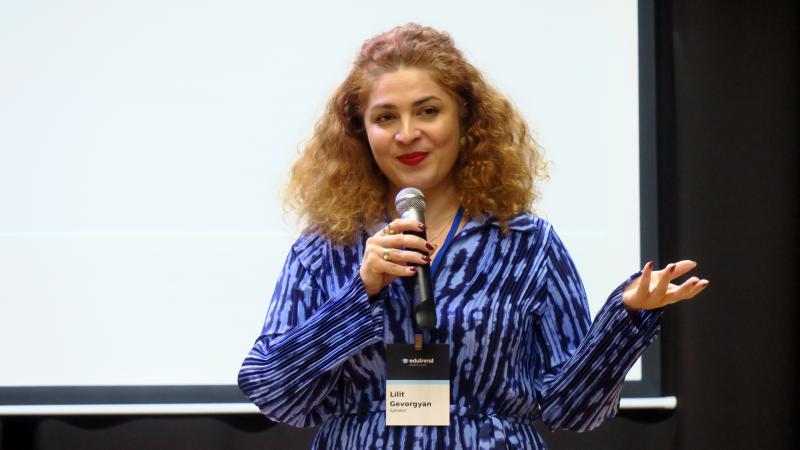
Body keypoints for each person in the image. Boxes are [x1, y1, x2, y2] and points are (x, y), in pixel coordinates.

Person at [238, 23, 708, 449]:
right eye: (385, 118)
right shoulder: (324, 249)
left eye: (427, 111)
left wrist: (625, 319)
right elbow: (273, 391)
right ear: (360, 132)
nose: (407, 134)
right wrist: (359, 293)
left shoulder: (527, 245)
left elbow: (572, 411)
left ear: (464, 119)